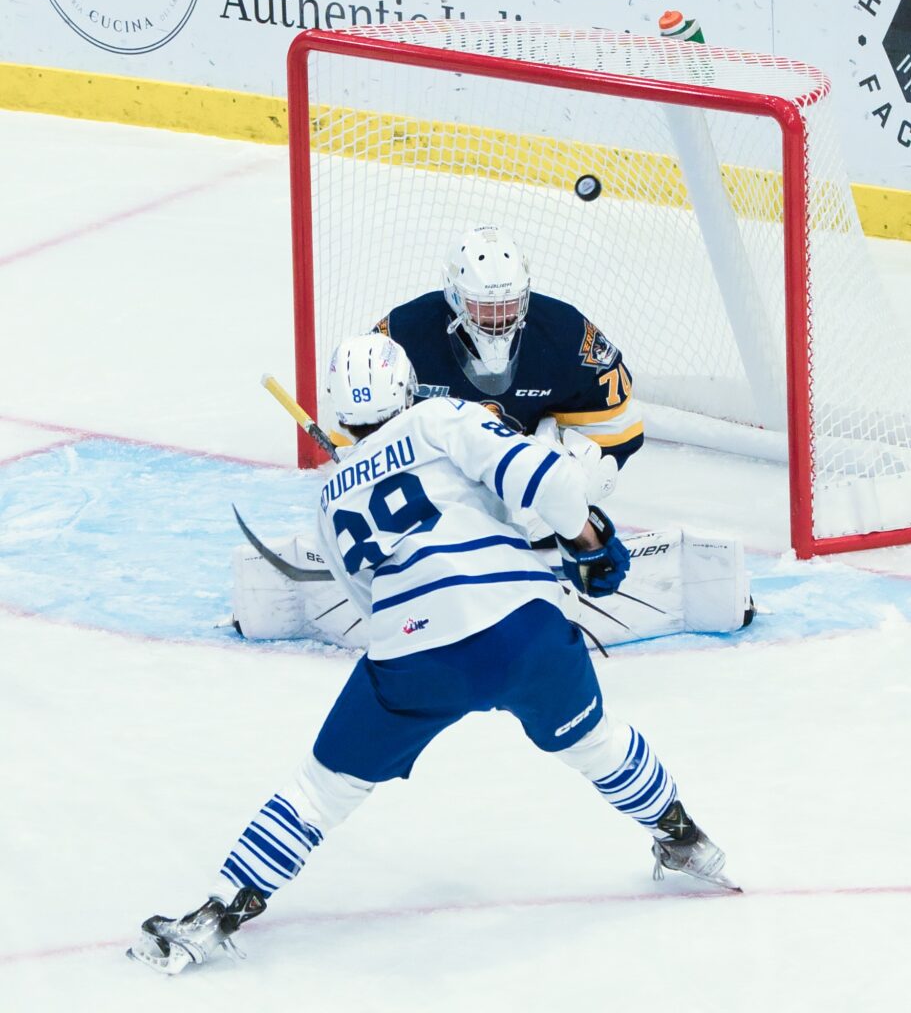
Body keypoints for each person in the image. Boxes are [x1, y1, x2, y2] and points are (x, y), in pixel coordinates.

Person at [129, 335, 737, 975]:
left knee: (320, 790)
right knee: (595, 742)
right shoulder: (439, 418)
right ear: (408, 385)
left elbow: (368, 605)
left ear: (340, 412)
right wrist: (586, 541)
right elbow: (550, 480)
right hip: (523, 632)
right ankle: (684, 838)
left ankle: (216, 913)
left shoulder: (328, 500)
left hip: (414, 654)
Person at [330, 225, 644, 471]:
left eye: (508, 304)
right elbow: (361, 424)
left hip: (531, 487)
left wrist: (575, 476)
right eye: (483, 306)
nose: (498, 318)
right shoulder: (403, 334)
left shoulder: (566, 332)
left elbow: (617, 425)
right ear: (454, 295)